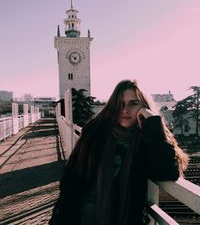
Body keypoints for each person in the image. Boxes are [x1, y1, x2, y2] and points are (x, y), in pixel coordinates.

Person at [49, 79, 189, 225]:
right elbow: (71, 178)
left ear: (144, 107)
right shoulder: (95, 133)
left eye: (133, 103)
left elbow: (167, 172)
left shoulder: (147, 140)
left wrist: (153, 121)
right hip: (82, 218)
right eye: (120, 103)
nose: (125, 110)